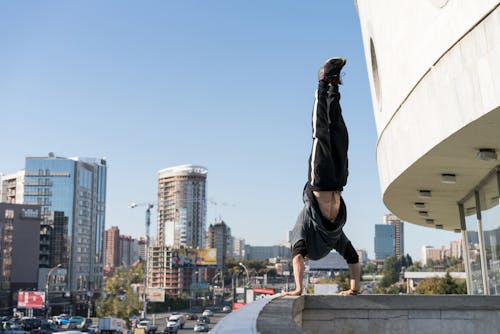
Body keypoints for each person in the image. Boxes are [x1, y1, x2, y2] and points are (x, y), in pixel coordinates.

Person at [284, 57, 360, 297]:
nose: (304, 259)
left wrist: (298, 288)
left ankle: (322, 82)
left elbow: (296, 256)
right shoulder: (333, 238)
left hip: (320, 180)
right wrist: (354, 289)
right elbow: (353, 257)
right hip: (338, 182)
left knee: (322, 132)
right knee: (339, 134)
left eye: (305, 259)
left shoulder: (302, 227)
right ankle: (334, 85)